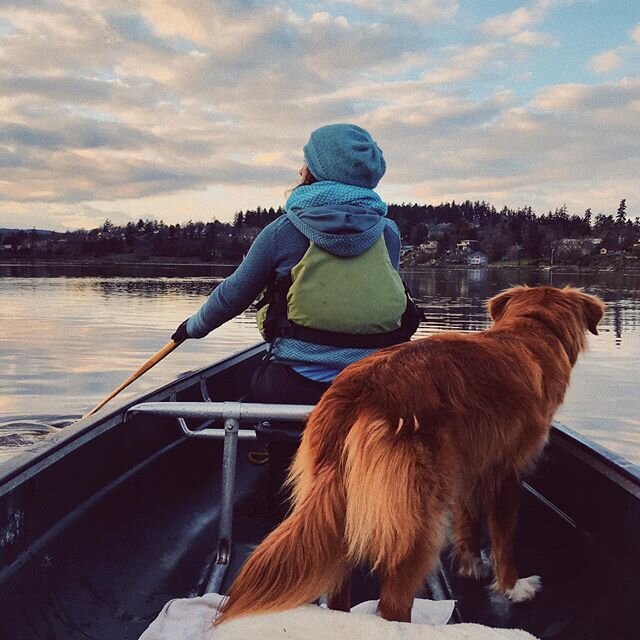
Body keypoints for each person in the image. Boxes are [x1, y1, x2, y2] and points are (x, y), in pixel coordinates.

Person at [172, 123, 421, 519]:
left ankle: (285, 520)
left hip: (293, 385)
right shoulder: (387, 231)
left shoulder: (284, 230)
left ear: (314, 169)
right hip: (374, 384)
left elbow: (234, 295)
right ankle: (356, 516)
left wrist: (191, 328)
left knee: (284, 445)